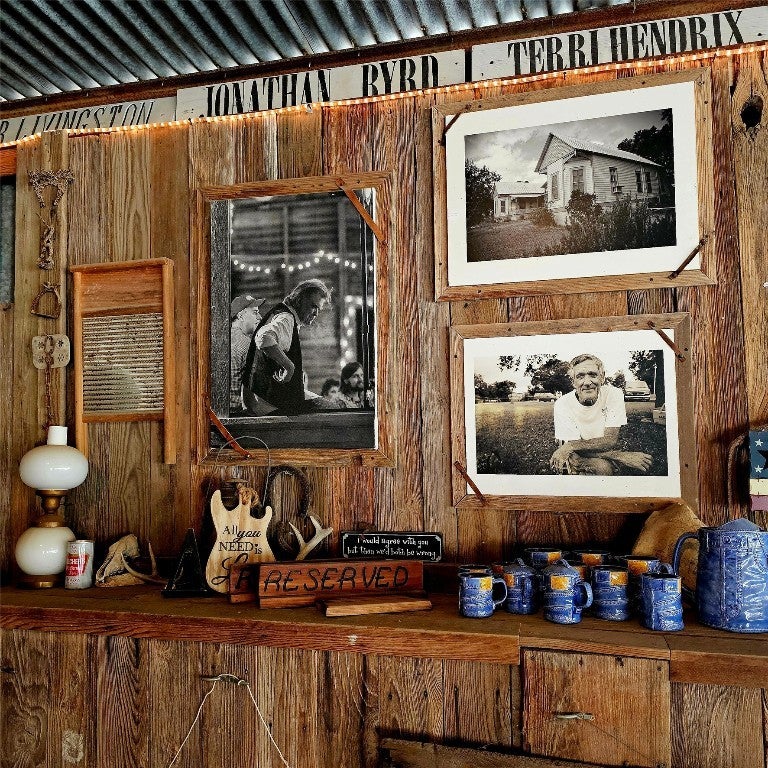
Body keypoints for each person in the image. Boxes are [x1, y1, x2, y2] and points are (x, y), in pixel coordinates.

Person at [549, 353, 652, 476]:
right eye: (580, 376)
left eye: (593, 375)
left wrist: (571, 446)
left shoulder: (614, 394)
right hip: (575, 454)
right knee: (603, 468)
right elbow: (576, 450)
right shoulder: (562, 404)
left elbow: (610, 440)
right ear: (573, 382)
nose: (587, 382)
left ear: (602, 377)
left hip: (596, 448)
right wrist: (619, 456)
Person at [242, 279, 331, 416]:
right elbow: (263, 337)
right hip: (264, 401)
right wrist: (289, 366)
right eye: (313, 306)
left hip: (262, 396)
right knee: (331, 408)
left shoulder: (283, 314)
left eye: (319, 309)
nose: (316, 313)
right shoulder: (286, 318)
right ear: (300, 300)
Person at [229, 295, 264, 412]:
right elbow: (250, 398)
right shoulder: (248, 345)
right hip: (237, 414)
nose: (260, 317)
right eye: (255, 313)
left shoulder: (220, 340)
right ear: (241, 316)